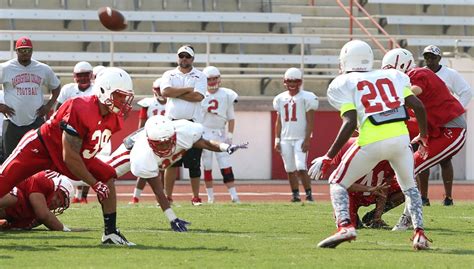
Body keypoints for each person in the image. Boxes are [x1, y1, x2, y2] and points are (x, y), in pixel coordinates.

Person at [308, 40, 430, 250]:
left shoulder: (344, 83)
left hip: (371, 140)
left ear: (345, 60)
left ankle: (345, 226)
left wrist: (328, 156)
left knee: (337, 182)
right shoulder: (393, 76)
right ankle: (419, 234)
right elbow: (418, 106)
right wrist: (424, 136)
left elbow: (349, 122)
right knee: (410, 188)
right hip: (400, 140)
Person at [0, 67, 136, 245]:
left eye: (126, 96)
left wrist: (100, 179)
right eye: (120, 95)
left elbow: (83, 153)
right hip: (41, 147)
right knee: (3, 181)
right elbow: (69, 156)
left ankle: (110, 233)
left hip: (72, 155)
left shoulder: (114, 118)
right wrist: (94, 184)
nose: (124, 100)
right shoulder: (80, 107)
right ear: (104, 91)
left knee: (108, 175)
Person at [103, 115, 248, 230]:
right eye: (161, 143)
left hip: (150, 149)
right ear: (151, 141)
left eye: (168, 141)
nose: (166, 146)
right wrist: (173, 219)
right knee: (98, 175)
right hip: (128, 156)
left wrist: (225, 147)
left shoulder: (182, 131)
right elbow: (159, 192)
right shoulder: (143, 154)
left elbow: (205, 143)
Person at [382, 48, 466, 230]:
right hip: (438, 130)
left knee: (411, 167)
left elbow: (414, 91)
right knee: (407, 166)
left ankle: (407, 218)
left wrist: (390, 98)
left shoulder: (418, 73)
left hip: (452, 129)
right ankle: (391, 213)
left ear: (401, 65)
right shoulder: (409, 79)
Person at [419, 45, 472, 206]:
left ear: (439, 58)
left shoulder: (450, 74)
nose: (429, 60)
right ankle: (423, 197)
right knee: (422, 157)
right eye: (427, 57)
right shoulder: (421, 73)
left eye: (433, 57)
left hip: (446, 121)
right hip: (427, 120)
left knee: (446, 159)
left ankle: (448, 197)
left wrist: (455, 111)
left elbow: (467, 92)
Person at [0, 36, 61, 159]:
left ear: (32, 51)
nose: (25, 53)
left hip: (35, 121)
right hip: (12, 122)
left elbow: (56, 87)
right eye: (21, 50)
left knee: (38, 158)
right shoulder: (5, 68)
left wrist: (48, 106)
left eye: (27, 50)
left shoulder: (42, 68)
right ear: (16, 51)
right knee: (10, 160)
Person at [161, 45, 207, 206]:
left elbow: (198, 97)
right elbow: (165, 92)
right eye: (182, 56)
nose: (184, 59)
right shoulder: (169, 74)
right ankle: (168, 196)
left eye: (187, 56)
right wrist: (187, 89)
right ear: (177, 57)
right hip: (172, 123)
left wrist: (177, 92)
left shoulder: (200, 76)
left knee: (194, 162)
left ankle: (195, 196)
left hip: (192, 123)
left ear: (193, 59)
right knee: (171, 162)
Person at [330, 138, 405, 229]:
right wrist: (368, 189)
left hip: (375, 192)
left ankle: (372, 217)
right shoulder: (348, 146)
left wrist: (377, 216)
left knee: (406, 190)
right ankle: (342, 211)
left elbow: (385, 186)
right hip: (351, 194)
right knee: (350, 226)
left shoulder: (392, 153)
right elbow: (339, 183)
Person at [273, 67, 318, 203]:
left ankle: (309, 194)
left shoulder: (307, 97)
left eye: (295, 81)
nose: (292, 84)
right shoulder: (280, 98)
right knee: (290, 168)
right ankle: (295, 194)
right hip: (286, 138)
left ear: (300, 82)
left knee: (301, 166)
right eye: (289, 81)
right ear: (284, 82)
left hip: (300, 137)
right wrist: (277, 139)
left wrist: (307, 139)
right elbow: (278, 121)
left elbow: (310, 120)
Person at [55, 61, 95, 204]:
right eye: (79, 75)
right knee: (63, 161)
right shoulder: (68, 89)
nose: (83, 78)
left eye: (85, 75)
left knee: (86, 162)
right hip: (68, 131)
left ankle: (83, 196)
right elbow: (58, 109)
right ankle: (59, 191)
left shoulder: (97, 90)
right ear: (74, 76)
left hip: (88, 132)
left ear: (91, 75)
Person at [200, 66, 241, 204]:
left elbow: (231, 117)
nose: (212, 82)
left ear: (219, 78)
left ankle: (234, 196)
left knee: (225, 164)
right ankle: (210, 197)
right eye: (209, 79)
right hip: (204, 132)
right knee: (207, 165)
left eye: (214, 78)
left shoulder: (227, 94)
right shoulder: (200, 94)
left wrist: (229, 136)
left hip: (220, 133)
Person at [129, 78, 167, 204]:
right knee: (144, 169)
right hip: (150, 138)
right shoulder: (148, 103)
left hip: (165, 139)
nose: (160, 92)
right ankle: (135, 197)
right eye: (158, 89)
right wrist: (139, 138)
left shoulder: (172, 103)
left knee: (162, 169)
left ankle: (162, 197)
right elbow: (142, 124)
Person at [0, 170, 74, 231]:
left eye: (60, 204)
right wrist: (64, 229)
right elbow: (44, 215)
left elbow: (10, 226)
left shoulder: (34, 216)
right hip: (3, 181)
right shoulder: (44, 180)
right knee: (15, 195)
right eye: (58, 197)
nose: (57, 203)